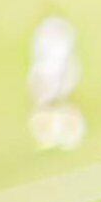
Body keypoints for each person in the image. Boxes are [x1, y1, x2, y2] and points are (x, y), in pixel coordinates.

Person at [25, 14, 83, 151]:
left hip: (52, 76)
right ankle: (53, 133)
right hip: (50, 77)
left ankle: (57, 133)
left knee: (51, 93)